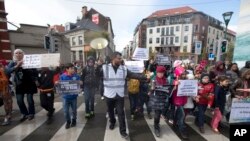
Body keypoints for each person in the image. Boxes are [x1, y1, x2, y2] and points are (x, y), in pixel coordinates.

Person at [98, 52, 147, 139]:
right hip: (109, 95)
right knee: (110, 111)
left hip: (119, 95)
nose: (121, 60)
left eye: (121, 58)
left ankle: (123, 131)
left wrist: (144, 77)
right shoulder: (105, 67)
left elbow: (133, 75)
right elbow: (97, 75)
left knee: (121, 113)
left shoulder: (124, 69)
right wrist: (99, 66)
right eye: (119, 58)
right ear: (113, 58)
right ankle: (112, 122)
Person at [6, 49, 38, 122]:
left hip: (30, 83)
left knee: (30, 100)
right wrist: (17, 66)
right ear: (14, 54)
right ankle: (24, 113)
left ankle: (31, 113)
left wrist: (35, 79)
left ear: (23, 54)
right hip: (19, 84)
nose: (18, 54)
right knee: (19, 100)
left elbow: (35, 71)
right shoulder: (13, 62)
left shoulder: (28, 61)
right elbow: (7, 71)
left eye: (20, 53)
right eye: (16, 53)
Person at [149, 66, 170, 137]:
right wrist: (151, 89)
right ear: (156, 72)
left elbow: (168, 89)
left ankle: (157, 124)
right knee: (157, 115)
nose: (160, 74)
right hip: (156, 100)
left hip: (163, 100)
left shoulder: (166, 80)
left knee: (159, 113)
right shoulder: (153, 79)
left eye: (162, 73)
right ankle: (156, 127)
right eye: (159, 73)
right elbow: (149, 90)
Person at [59, 63, 81, 129]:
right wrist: (57, 83)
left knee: (74, 110)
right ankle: (68, 121)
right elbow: (60, 85)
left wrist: (80, 83)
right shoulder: (63, 76)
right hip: (65, 97)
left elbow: (79, 84)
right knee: (66, 111)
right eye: (71, 68)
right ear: (67, 69)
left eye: (73, 68)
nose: (73, 69)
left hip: (74, 97)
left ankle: (74, 120)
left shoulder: (76, 76)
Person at [172, 70, 188, 139]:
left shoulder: (187, 81)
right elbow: (172, 90)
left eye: (185, 74)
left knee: (178, 113)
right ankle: (182, 131)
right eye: (182, 74)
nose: (184, 75)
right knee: (182, 116)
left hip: (184, 100)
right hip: (177, 101)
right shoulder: (175, 81)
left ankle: (175, 123)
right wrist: (175, 85)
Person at [0, 60, 13, 125]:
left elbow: (5, 79)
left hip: (4, 89)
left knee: (7, 103)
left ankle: (8, 117)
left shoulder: (3, 68)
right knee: (7, 102)